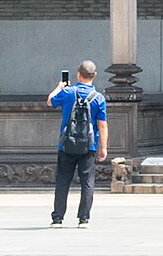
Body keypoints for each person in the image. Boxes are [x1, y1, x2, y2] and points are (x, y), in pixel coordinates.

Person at [47, 60, 108, 229]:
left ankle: (57, 219)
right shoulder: (99, 98)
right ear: (94, 76)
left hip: (66, 144)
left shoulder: (67, 92)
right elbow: (102, 125)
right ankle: (83, 219)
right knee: (87, 182)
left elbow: (50, 101)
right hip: (89, 145)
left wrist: (59, 87)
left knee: (62, 181)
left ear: (78, 74)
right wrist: (103, 147)